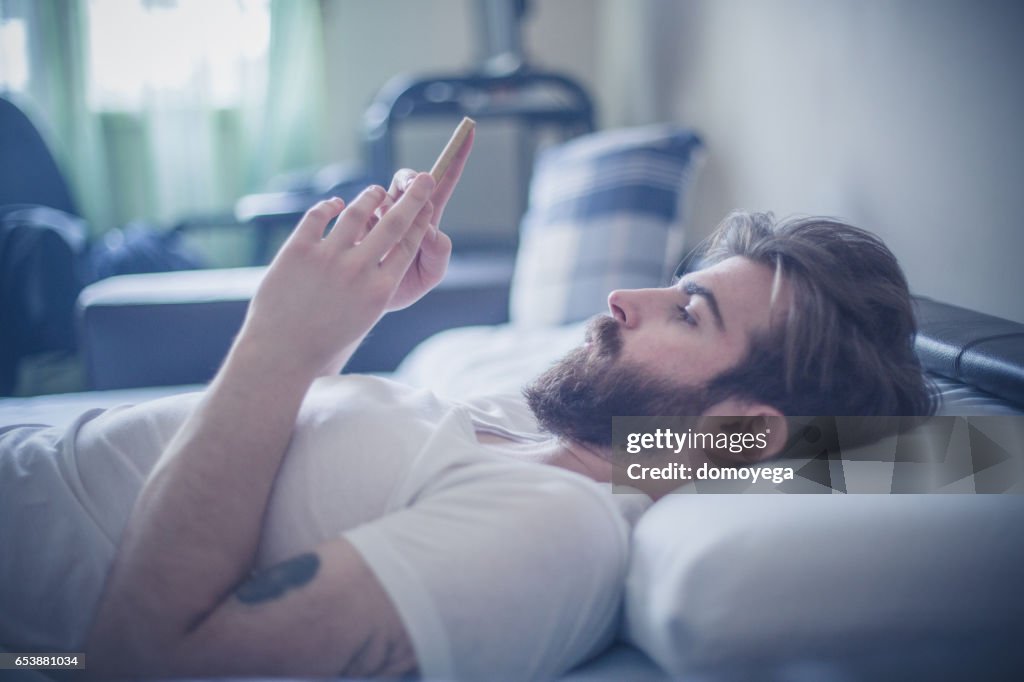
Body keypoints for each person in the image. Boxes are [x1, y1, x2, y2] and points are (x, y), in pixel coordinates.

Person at [0, 129, 935, 680]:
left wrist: (282, 343)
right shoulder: (554, 430)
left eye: (687, 313)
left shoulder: (551, 529)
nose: (624, 299)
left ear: (736, 433)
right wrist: (362, 308)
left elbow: (142, 664)